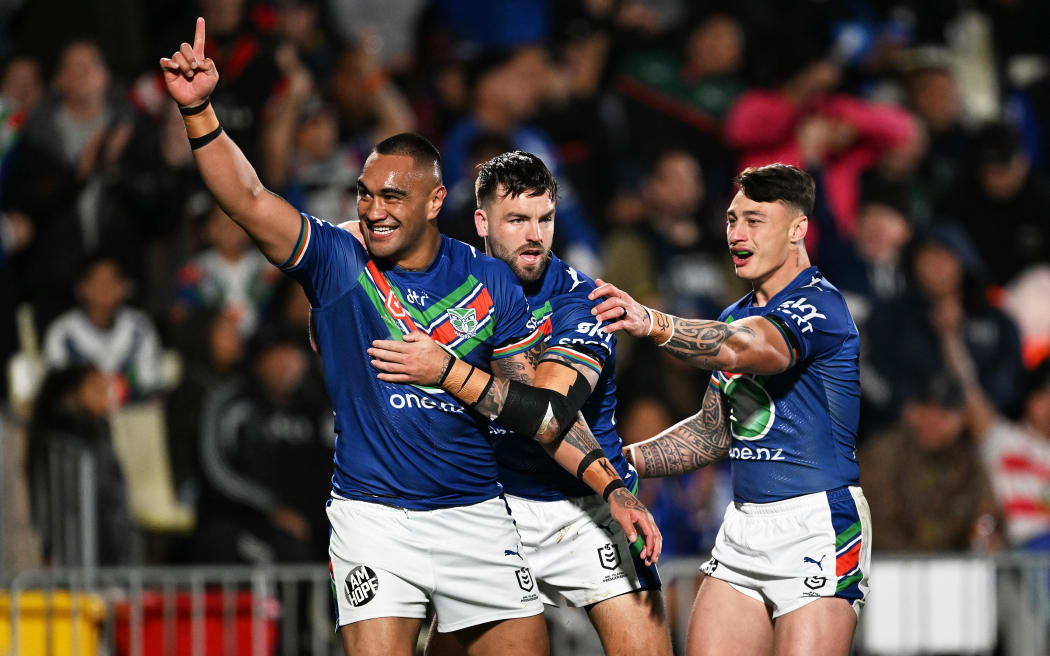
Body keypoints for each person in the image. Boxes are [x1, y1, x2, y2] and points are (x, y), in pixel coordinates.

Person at [159, 19, 656, 656]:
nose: (374, 209)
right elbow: (250, 198)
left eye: (393, 195)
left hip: (475, 517)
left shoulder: (489, 281)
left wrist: (612, 487)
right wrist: (199, 109)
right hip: (374, 517)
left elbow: (539, 412)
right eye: (365, 195)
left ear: (434, 200)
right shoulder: (337, 262)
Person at [378, 151, 669, 655]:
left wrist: (446, 369)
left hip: (584, 505)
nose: (535, 235)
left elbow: (549, 413)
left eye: (545, 219)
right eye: (517, 220)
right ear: (481, 221)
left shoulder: (583, 301)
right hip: (489, 510)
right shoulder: (445, 284)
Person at [588, 163, 870, 655]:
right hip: (742, 525)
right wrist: (624, 461)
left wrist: (652, 321)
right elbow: (713, 432)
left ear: (798, 228)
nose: (737, 234)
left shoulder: (821, 306)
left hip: (816, 526)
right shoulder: (734, 315)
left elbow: (746, 350)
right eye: (731, 220)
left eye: (754, 221)